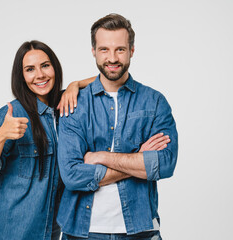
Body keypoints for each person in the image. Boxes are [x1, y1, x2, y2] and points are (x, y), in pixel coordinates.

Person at [57, 14, 178, 240]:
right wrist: (138, 159)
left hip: (140, 231)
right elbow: (72, 175)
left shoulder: (155, 102)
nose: (112, 58)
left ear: (132, 50)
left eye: (120, 49)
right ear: (93, 51)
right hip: (82, 233)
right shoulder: (73, 104)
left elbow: (164, 164)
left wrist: (100, 156)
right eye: (104, 49)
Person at [0, 40, 95, 240]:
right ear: (21, 77)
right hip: (16, 231)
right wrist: (1, 135)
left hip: (52, 229)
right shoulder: (13, 114)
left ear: (55, 67)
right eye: (30, 69)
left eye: (45, 65)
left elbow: (112, 78)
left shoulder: (65, 106)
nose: (40, 75)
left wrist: (76, 85)